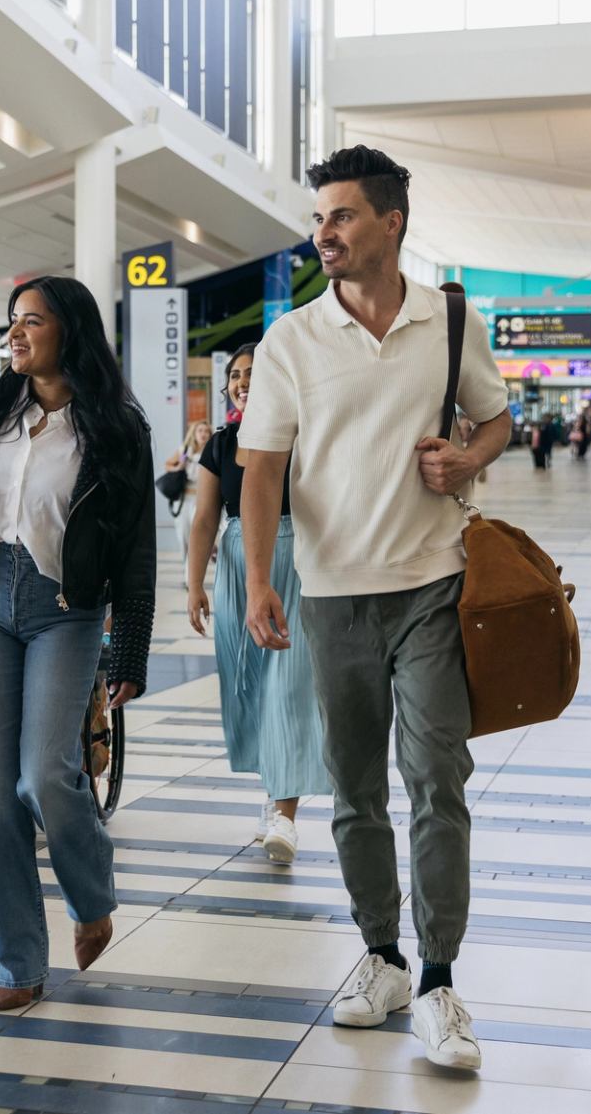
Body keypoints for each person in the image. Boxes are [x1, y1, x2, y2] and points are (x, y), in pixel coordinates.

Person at [238, 145, 509, 1071]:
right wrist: (260, 582)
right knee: (355, 791)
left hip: (434, 584)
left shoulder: (451, 317)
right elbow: (263, 468)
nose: (325, 233)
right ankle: (381, 956)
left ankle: (438, 979)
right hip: (333, 595)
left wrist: (471, 459)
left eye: (343, 216)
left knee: (438, 777)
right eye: (320, 219)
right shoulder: (290, 341)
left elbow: (497, 416)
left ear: (392, 222)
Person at [0, 276, 156, 1011]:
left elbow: (136, 551)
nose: (16, 334)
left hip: (67, 607)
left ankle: (91, 894)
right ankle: (19, 962)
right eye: (12, 322)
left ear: (71, 330)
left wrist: (128, 649)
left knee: (45, 772)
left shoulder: (116, 427)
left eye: (32, 321)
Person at [185, 346, 329, 864]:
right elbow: (204, 518)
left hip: (298, 561)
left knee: (289, 685)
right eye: (236, 376)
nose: (243, 381)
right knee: (248, 684)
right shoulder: (221, 445)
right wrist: (194, 583)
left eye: (254, 373)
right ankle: (273, 794)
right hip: (237, 565)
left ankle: (284, 813)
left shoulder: (303, 435)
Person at [164, 421, 211, 564]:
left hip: (202, 499)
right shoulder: (185, 450)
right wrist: (179, 467)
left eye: (206, 431)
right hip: (184, 499)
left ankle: (192, 573)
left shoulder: (212, 451)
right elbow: (168, 465)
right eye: (200, 431)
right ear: (194, 434)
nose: (203, 434)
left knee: (197, 536)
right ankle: (187, 568)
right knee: (183, 535)